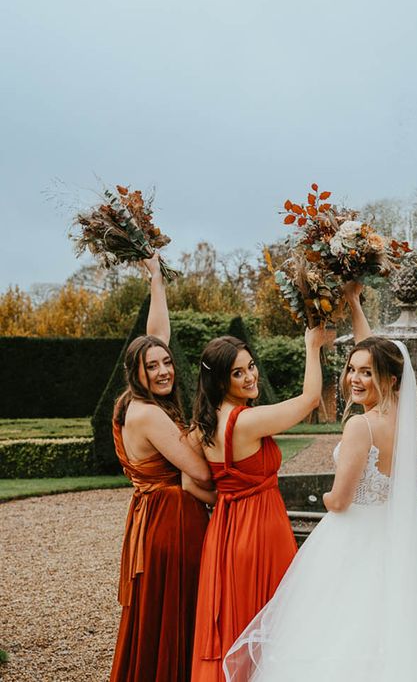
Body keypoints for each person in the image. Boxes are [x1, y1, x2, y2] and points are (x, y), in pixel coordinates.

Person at [222, 284, 417, 682]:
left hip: (352, 537)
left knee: (336, 635)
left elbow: (340, 501)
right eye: (352, 369)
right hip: (395, 532)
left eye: (366, 372)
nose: (354, 377)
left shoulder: (360, 426)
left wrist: (328, 495)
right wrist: (353, 303)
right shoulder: (401, 418)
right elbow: (378, 350)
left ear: (386, 377)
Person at [189, 326, 325, 682]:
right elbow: (310, 399)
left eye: (250, 366)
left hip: (226, 532)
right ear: (220, 381)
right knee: (274, 619)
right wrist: (312, 345)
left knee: (237, 620)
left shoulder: (203, 424)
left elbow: (191, 482)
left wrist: (229, 501)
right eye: (238, 372)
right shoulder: (245, 421)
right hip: (262, 532)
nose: (250, 376)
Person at [110, 254, 215, 682]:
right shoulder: (149, 415)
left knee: (162, 613)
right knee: (178, 611)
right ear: (137, 373)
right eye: (151, 366)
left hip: (153, 518)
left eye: (165, 362)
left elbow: (157, 336)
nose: (163, 370)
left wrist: (156, 279)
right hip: (172, 521)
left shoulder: (132, 402)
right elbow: (200, 472)